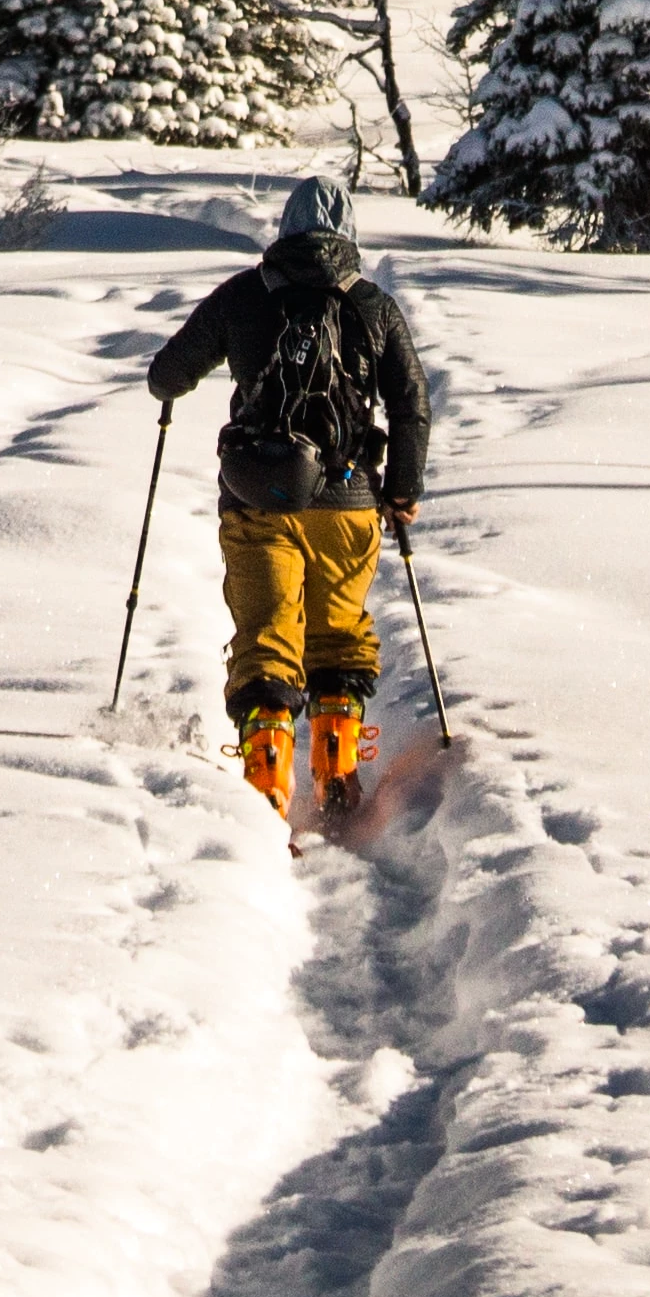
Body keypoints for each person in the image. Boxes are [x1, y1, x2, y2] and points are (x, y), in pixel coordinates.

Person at [144, 173, 431, 825]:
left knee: (266, 642)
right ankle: (336, 768)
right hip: (348, 502)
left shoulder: (243, 296)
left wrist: (171, 388)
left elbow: (168, 374)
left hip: (255, 498)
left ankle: (267, 791)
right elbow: (412, 403)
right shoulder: (374, 306)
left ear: (284, 231)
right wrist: (404, 490)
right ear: (349, 234)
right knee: (338, 639)